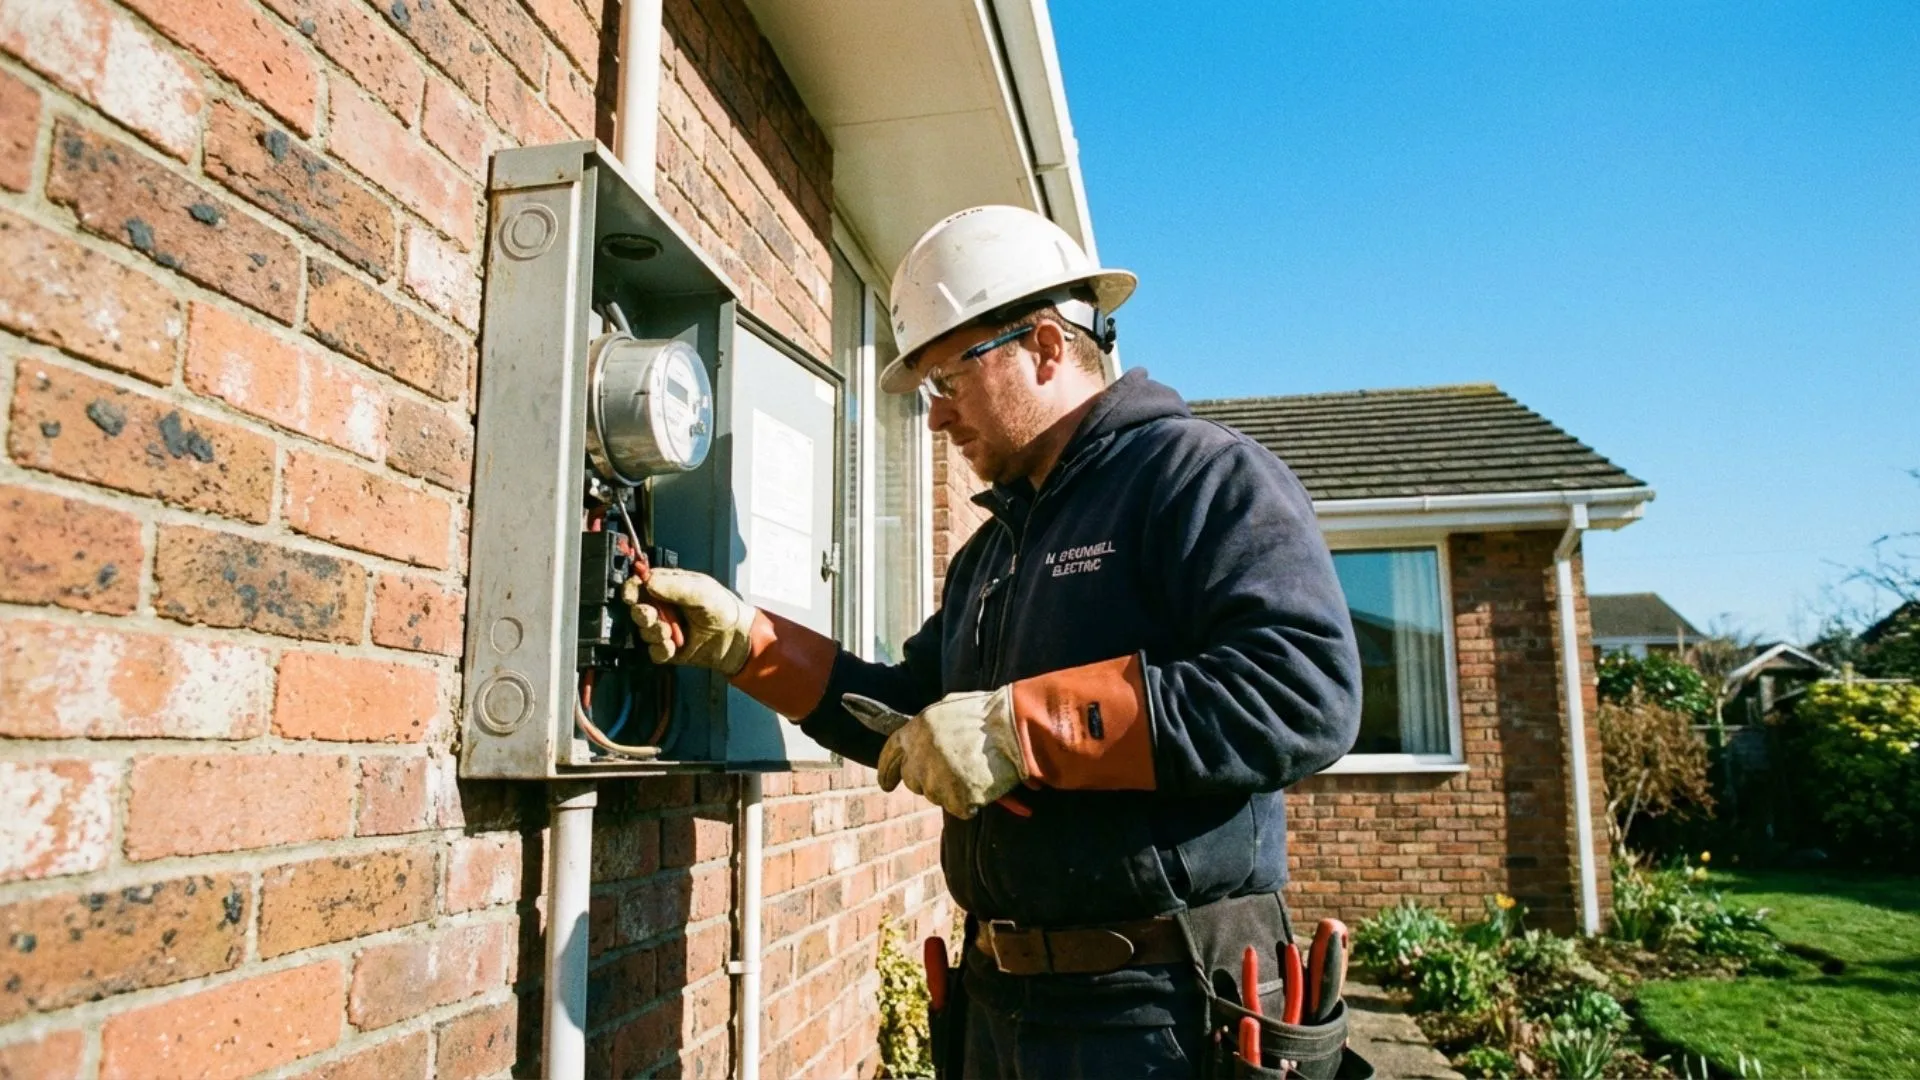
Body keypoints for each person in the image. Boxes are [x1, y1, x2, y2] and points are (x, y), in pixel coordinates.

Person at [628, 205, 1362, 1079]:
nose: (937, 418)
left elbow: (1304, 688)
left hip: (1162, 1008)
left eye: (948, 380)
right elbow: (915, 718)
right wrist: (747, 644)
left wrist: (1024, 729)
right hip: (1000, 1004)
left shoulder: (1198, 478)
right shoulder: (990, 552)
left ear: (1046, 346)